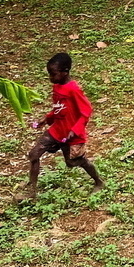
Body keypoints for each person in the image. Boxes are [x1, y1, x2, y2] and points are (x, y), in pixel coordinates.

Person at [24, 52, 103, 201]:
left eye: (53, 74)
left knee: (73, 162)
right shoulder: (57, 86)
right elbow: (59, 108)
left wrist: (75, 129)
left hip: (71, 134)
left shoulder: (73, 89)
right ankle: (31, 191)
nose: (50, 78)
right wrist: (47, 118)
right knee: (34, 154)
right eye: (49, 74)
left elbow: (86, 111)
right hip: (57, 130)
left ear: (65, 72)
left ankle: (98, 182)